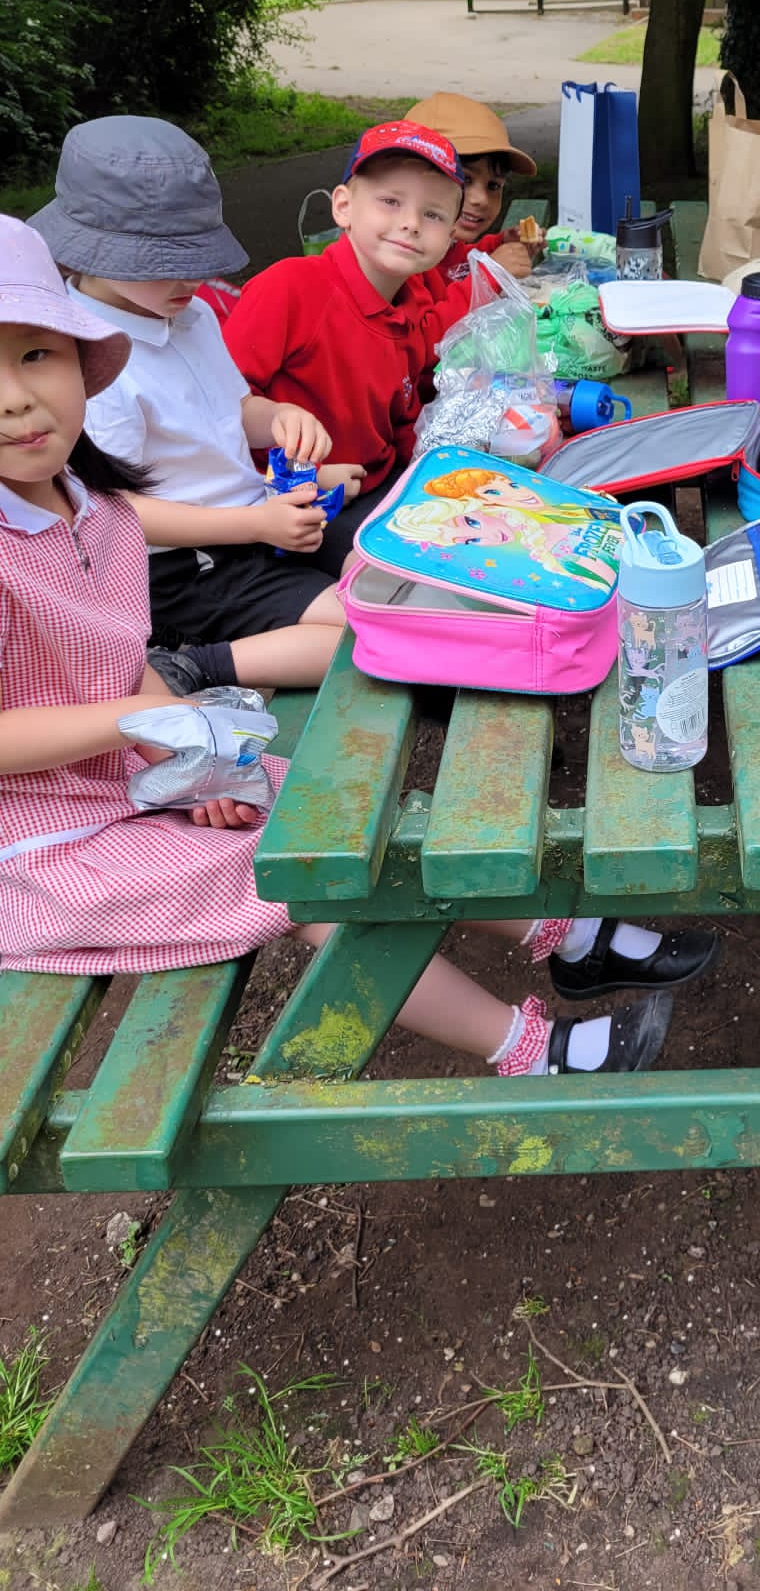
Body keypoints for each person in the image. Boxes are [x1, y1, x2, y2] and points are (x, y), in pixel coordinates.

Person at [0, 215, 718, 1076]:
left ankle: (566, 937)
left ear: (80, 360)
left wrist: (191, 764)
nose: (15, 397)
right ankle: (531, 1050)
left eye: (36, 355)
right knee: (299, 870)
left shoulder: (96, 510)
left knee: (335, 815)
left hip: (125, 772)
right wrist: (149, 727)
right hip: (41, 846)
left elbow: (122, 666)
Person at [33, 116, 357, 696]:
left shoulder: (194, 313)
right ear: (92, 252)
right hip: (181, 564)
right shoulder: (89, 355)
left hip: (254, 526)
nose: (191, 277)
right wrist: (253, 523)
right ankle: (188, 665)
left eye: (197, 255)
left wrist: (281, 417)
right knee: (362, 636)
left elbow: (236, 409)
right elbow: (112, 511)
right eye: (163, 262)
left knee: (390, 583)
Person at [224, 119, 465, 570]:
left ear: (451, 237)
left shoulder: (410, 305)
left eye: (433, 214)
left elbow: (401, 417)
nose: (411, 223)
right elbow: (217, 412)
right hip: (291, 506)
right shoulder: (290, 288)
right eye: (390, 202)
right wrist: (310, 477)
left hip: (382, 487)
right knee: (406, 577)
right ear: (343, 207)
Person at [407, 90, 539, 289]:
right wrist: (490, 274)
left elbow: (456, 265)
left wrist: (500, 244)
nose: (481, 199)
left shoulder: (446, 242)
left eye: (493, 185)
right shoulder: (404, 256)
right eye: (465, 179)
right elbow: (431, 312)